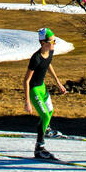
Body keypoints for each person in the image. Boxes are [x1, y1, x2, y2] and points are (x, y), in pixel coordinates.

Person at [24, 28, 67, 159]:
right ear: (43, 42)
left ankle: (45, 129)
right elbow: (26, 80)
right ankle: (39, 148)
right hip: (34, 90)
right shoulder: (35, 58)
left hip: (42, 87)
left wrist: (58, 83)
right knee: (45, 116)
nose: (54, 43)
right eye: (52, 41)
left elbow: (48, 64)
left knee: (50, 112)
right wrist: (27, 102)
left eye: (55, 40)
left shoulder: (50, 51)